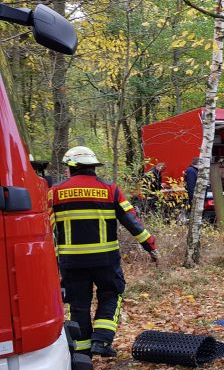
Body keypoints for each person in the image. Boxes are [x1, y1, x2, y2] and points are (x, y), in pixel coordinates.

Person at [51, 146, 159, 358]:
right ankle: (101, 341)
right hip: (106, 260)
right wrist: (151, 247)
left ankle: (82, 354)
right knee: (111, 295)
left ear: (71, 167)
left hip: (71, 262)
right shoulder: (110, 189)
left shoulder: (54, 193)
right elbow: (132, 222)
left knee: (78, 304)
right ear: (93, 166)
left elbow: (44, 229)